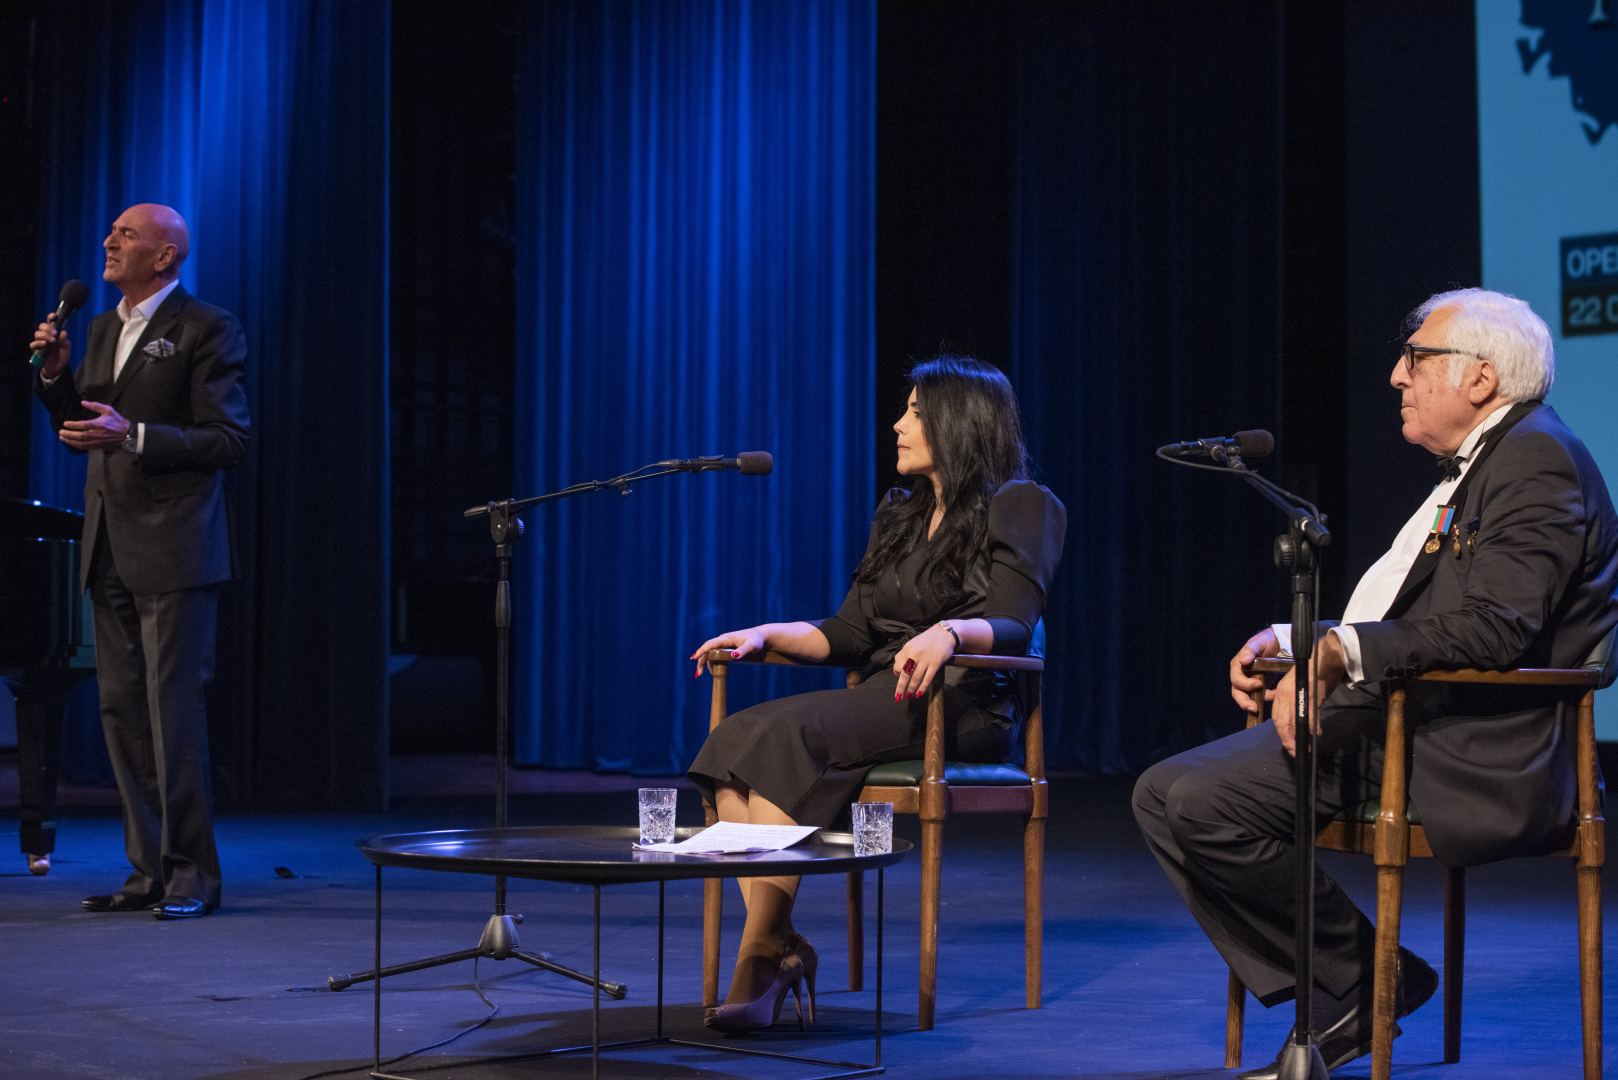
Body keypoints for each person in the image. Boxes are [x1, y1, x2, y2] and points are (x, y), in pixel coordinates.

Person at [1133, 288, 1618, 1078]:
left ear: (1481, 379)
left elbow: (1497, 628)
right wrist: (1303, 641)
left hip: (1469, 745)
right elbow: (1424, 611)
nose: (1397, 375)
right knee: (1164, 794)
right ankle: (1360, 980)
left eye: (1417, 358)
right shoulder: (1490, 460)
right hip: (1403, 721)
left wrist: (1337, 655)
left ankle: (1361, 980)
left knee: (1193, 800)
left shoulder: (1535, 457)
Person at [687, 355, 1066, 1032]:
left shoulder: (1023, 504)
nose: (897, 424)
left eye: (915, 412)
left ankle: (763, 959)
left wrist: (949, 633)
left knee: (788, 735)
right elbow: (849, 631)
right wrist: (765, 632)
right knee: (731, 742)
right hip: (891, 694)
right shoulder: (899, 514)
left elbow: (1015, 618)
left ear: (957, 421)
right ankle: (773, 946)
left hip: (965, 700)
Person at [30, 203, 250, 920]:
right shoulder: (99, 328)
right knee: (121, 712)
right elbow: (84, 433)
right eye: (111, 232)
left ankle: (192, 876)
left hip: (176, 546)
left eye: (126, 234)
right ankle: (146, 871)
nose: (108, 241)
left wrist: (138, 435)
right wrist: (58, 382)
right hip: (108, 545)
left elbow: (228, 440)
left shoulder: (204, 327)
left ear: (166, 256)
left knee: (171, 715)